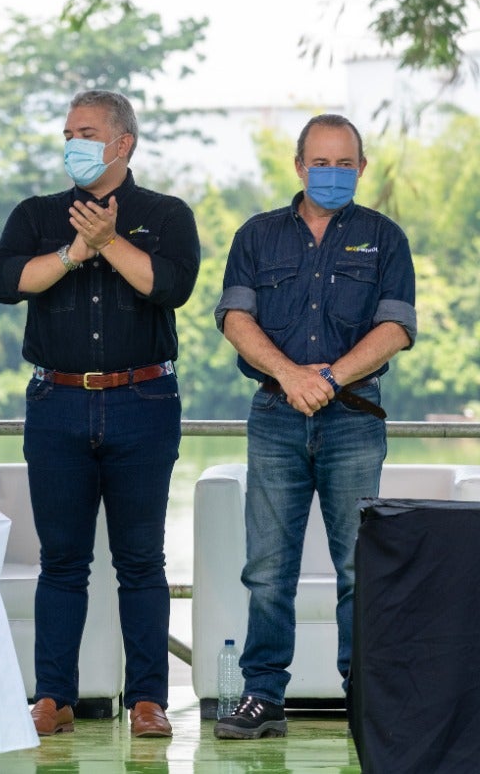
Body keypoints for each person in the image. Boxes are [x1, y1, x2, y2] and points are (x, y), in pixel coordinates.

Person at [0, 90, 200, 739]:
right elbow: (2, 279)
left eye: (86, 131)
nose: (72, 141)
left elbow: (171, 285)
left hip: (144, 402)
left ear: (122, 143)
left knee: (141, 559)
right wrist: (75, 252)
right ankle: (53, 695)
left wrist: (108, 242)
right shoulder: (38, 215)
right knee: (62, 559)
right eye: (68, 131)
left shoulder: (165, 214)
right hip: (58, 403)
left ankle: (148, 699)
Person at [213, 114, 416, 740]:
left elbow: (396, 329)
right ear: (299, 167)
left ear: (362, 167)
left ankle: (364, 697)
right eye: (320, 163)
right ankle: (262, 697)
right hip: (275, 416)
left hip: (352, 420)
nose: (332, 173)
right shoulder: (256, 235)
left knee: (360, 566)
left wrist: (326, 380)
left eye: (344, 163)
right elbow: (235, 318)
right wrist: (291, 376)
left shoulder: (385, 238)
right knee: (268, 567)